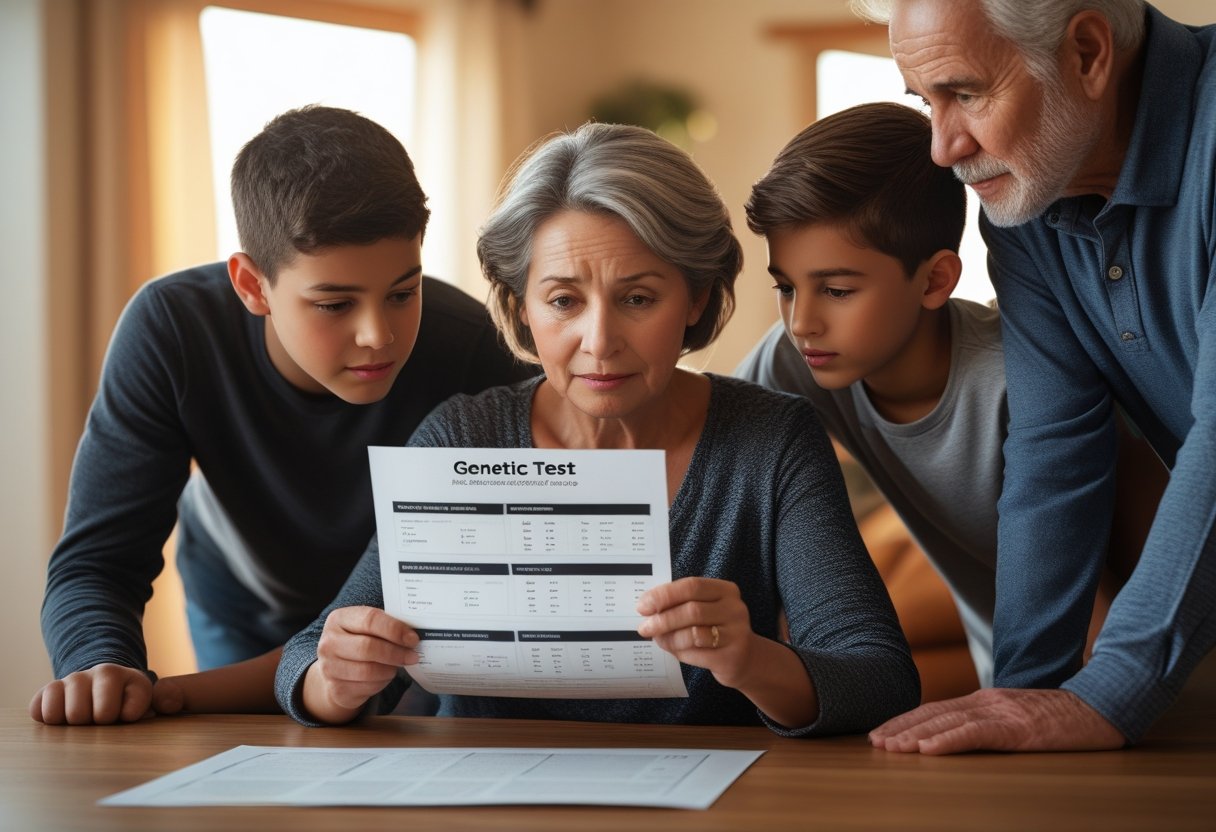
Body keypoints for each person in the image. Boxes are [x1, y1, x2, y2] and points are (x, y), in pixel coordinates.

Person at [273, 121, 921, 735]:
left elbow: (880, 680)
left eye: (638, 298)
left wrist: (749, 658)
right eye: (563, 301)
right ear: (520, 307)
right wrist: (337, 679)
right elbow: (307, 661)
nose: (600, 342)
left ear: (696, 296)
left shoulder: (771, 443)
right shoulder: (461, 438)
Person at [31, 105, 534, 725]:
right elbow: (97, 561)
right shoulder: (173, 331)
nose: (379, 335)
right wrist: (99, 664)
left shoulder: (475, 348)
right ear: (252, 286)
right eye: (334, 304)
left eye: (403, 293)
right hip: (243, 605)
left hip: (403, 631)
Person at [845, 0, 1216, 753]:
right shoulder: (1029, 205)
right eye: (926, 101)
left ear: (1086, 53)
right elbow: (1055, 455)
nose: (943, 149)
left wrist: (1110, 692)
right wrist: (1018, 697)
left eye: (967, 94)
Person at [736, 101, 1162, 693]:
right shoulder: (795, 357)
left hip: (1124, 688)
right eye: (785, 287)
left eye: (836, 289)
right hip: (1009, 681)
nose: (802, 320)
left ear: (935, 280)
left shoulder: (1022, 385)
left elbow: (1102, 596)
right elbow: (709, 444)